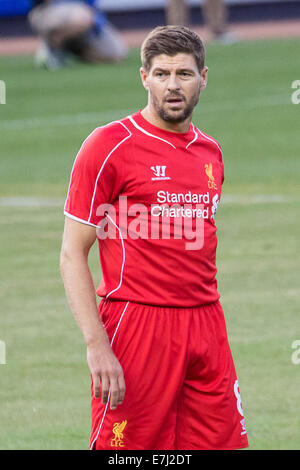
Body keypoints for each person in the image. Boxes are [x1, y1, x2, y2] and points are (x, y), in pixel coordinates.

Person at [60, 25, 249, 450]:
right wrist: (97, 346)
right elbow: (73, 254)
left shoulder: (210, 152)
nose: (173, 86)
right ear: (144, 77)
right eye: (161, 74)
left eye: (184, 74)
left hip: (206, 323)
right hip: (138, 326)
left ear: (204, 76)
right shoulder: (109, 146)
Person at [28, 0, 128, 69]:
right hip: (46, 11)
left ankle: (68, 47)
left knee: (116, 53)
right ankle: (52, 48)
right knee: (81, 17)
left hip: (84, 16)